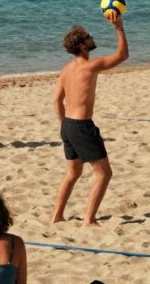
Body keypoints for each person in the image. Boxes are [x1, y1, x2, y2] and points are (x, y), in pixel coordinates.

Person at [52, 13, 128, 226]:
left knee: (73, 173)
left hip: (67, 125)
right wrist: (119, 28)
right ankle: (88, 220)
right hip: (82, 126)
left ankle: (57, 216)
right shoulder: (90, 65)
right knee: (104, 174)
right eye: (88, 37)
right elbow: (122, 55)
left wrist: (63, 126)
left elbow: (56, 100)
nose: (91, 38)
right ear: (82, 46)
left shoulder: (66, 69)